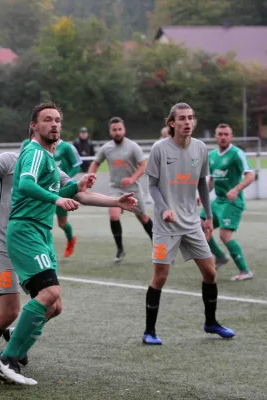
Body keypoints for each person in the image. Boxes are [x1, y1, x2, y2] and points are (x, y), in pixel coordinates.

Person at [0, 102, 138, 385]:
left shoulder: (49, 157)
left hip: (41, 233)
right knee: (49, 293)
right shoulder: (34, 152)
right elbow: (25, 185)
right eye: (47, 120)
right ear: (34, 126)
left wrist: (113, 200)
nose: (54, 124)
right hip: (26, 231)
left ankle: (16, 344)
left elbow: (73, 192)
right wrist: (57, 199)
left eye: (58, 119)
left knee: (54, 305)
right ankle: (7, 360)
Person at [143, 103, 235, 346]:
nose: (187, 122)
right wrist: (165, 209)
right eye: (182, 118)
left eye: (191, 118)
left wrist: (208, 216)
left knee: (211, 272)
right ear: (172, 123)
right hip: (165, 226)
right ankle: (149, 331)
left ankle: (211, 322)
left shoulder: (201, 148)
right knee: (160, 277)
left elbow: (202, 184)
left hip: (192, 222)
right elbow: (152, 185)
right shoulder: (159, 149)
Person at [88, 117, 154, 263]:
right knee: (113, 215)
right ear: (110, 131)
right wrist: (89, 177)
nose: (117, 132)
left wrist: (132, 179)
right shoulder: (106, 148)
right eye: (114, 130)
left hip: (133, 189)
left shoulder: (133, 147)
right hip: (115, 189)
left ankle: (158, 246)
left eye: (119, 129)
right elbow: (96, 162)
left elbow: (143, 165)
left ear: (124, 129)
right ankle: (120, 249)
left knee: (143, 217)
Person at [200, 123, 255, 281]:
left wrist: (236, 189)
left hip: (233, 202)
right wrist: (203, 195)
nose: (223, 137)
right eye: (220, 134)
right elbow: (212, 180)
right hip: (218, 201)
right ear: (216, 137)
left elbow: (250, 175)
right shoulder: (211, 156)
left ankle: (245, 271)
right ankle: (220, 257)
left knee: (225, 236)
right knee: (200, 226)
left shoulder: (237, 153)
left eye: (226, 134)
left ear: (231, 137)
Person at [54, 137, 82, 257]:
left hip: (61, 190)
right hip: (43, 189)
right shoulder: (33, 145)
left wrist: (65, 178)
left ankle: (71, 239)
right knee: (42, 221)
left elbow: (77, 165)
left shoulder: (66, 147)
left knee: (62, 223)